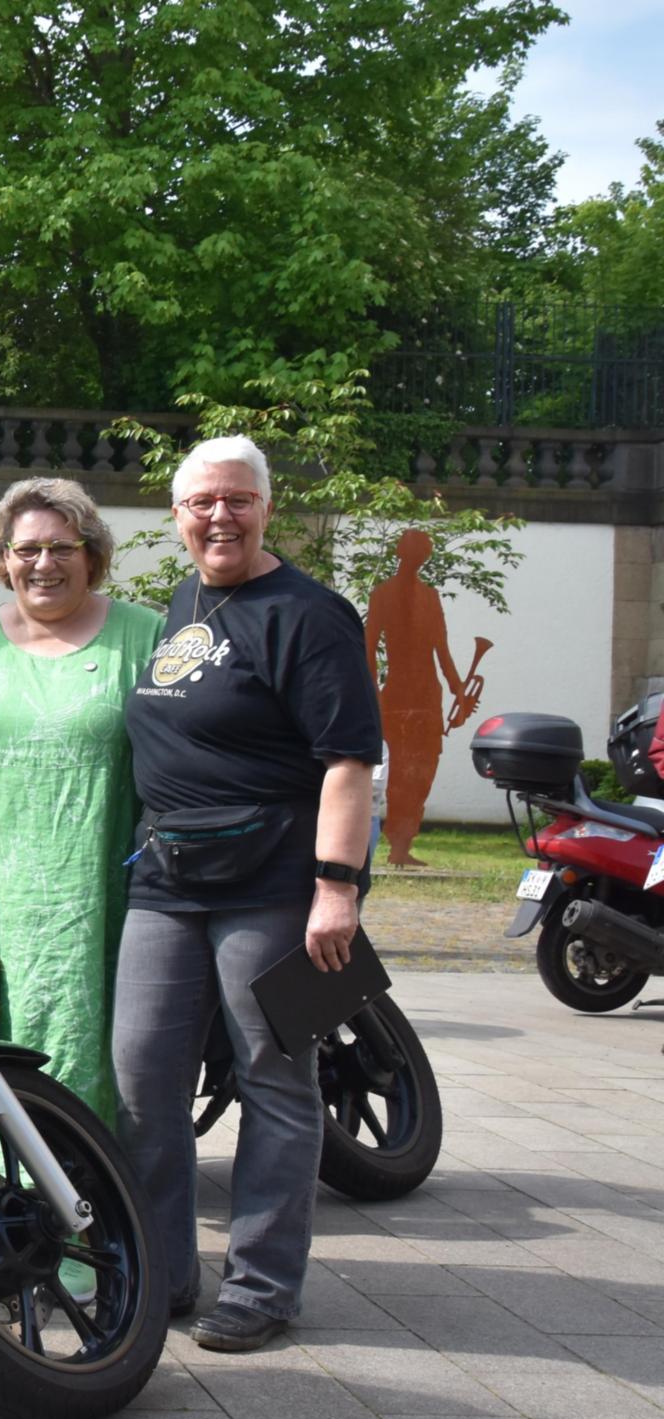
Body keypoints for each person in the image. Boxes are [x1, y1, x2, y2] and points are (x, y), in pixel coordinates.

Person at [112, 435, 382, 1353]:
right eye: (201, 503)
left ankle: (263, 1287)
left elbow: (348, 763)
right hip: (166, 881)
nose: (218, 517)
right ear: (177, 513)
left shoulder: (312, 615)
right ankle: (162, 1275)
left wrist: (337, 890)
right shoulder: (188, 601)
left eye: (236, 500)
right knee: (143, 1080)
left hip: (275, 885)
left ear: (267, 507)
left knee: (275, 1080)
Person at [0, 479, 162, 1128]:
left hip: (95, 899)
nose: (42, 564)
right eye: (26, 550)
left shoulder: (145, 637)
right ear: (4, 559)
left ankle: (83, 1198)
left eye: (61, 547)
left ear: (92, 555)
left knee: (81, 1045)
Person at [365, 528, 482, 866]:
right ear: (403, 553)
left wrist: (460, 692)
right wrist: (372, 690)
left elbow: (441, 650)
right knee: (401, 770)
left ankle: (402, 845)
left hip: (429, 693)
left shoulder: (429, 596)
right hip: (398, 692)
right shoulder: (382, 594)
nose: (418, 557)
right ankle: (396, 845)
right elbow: (369, 648)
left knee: (423, 770)